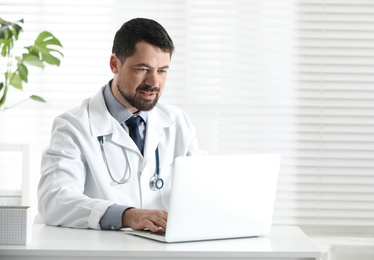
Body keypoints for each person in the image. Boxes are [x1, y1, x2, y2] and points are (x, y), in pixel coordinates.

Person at [37, 18, 203, 232]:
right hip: (105, 251)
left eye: (162, 71)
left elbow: (202, 186)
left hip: (165, 249)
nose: (154, 83)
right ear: (115, 64)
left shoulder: (177, 121)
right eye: (143, 69)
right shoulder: (73, 126)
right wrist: (127, 216)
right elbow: (54, 200)